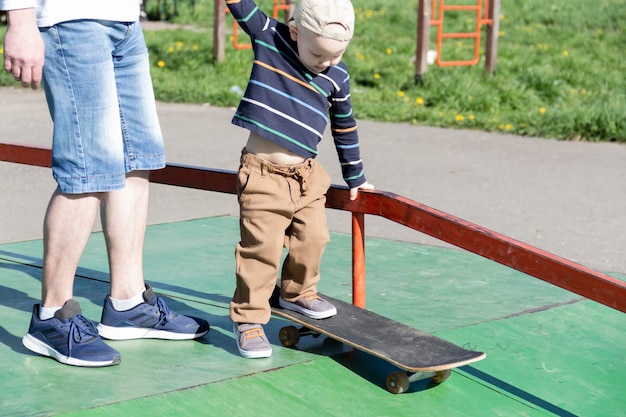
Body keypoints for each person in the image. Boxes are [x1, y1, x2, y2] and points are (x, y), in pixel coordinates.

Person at [1, 1, 210, 367]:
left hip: (124, 20)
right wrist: (19, 19)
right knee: (88, 166)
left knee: (137, 158)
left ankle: (128, 305)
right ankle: (52, 318)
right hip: (71, 22)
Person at [225, 0, 374, 359]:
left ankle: (297, 292)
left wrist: (356, 177)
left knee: (314, 237)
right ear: (295, 31)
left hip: (307, 177)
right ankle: (248, 319)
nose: (326, 63)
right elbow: (240, 6)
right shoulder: (269, 36)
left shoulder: (337, 77)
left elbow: (345, 127)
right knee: (261, 249)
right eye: (318, 54)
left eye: (335, 56)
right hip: (263, 174)